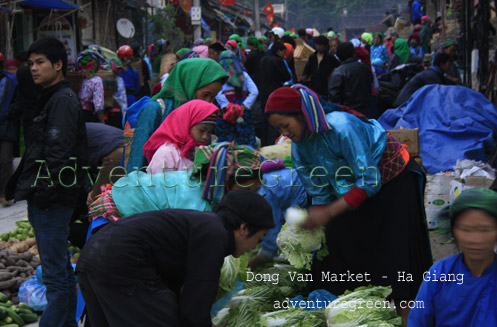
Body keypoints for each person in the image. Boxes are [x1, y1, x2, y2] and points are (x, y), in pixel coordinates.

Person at [265, 85, 432, 322]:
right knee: (337, 247)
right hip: (350, 192)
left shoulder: (342, 127)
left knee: (396, 255)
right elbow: (319, 192)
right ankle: (360, 312)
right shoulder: (300, 150)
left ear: (304, 115)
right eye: (278, 128)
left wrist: (329, 212)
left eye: (286, 125)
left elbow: (369, 181)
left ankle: (407, 318)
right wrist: (318, 217)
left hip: (393, 181)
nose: (284, 133)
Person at [76, 190, 274, 326]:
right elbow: (195, 305)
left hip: (92, 255)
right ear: (244, 228)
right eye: (259, 239)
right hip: (119, 262)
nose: (253, 247)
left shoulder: (203, 224)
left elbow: (185, 292)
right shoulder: (214, 235)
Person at [6, 37, 88, 327]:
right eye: (31, 63)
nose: (34, 69)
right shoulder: (52, 97)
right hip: (51, 198)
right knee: (60, 271)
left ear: (58, 65)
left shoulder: (62, 101)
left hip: (52, 200)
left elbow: (57, 155)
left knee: (55, 275)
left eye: (40, 62)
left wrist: (42, 195)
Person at [408, 188, 497, 326]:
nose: (475, 239)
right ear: (453, 231)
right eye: (465, 229)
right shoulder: (440, 274)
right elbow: (418, 322)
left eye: (485, 230)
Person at [126, 58, 228, 172]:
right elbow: (137, 160)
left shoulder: (203, 114)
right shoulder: (156, 109)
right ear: (190, 84)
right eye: (205, 95)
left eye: (213, 97)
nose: (208, 102)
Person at [145, 100, 218, 174]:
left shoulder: (201, 153)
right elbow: (157, 182)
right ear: (186, 125)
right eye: (201, 131)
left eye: (209, 132)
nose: (205, 137)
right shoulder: (167, 153)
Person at [214, 51, 259, 148]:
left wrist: (227, 106)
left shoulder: (218, 76)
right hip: (242, 112)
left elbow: (216, 92)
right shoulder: (243, 75)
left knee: (226, 142)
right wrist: (244, 106)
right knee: (244, 138)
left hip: (225, 113)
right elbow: (254, 92)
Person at [256, 42, 291, 146]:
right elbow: (287, 77)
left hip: (263, 95)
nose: (283, 54)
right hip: (275, 95)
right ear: (278, 51)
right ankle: (273, 144)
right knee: (274, 122)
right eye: (283, 52)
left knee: (265, 121)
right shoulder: (278, 61)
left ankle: (264, 144)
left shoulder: (263, 60)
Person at [328, 42, 373, 117]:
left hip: (347, 112)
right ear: (353, 53)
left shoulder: (338, 72)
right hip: (365, 109)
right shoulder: (365, 68)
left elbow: (334, 95)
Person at [0, 57, 17, 207]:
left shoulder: (11, 82)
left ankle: (6, 193)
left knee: (5, 160)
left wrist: (9, 111)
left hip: (7, 126)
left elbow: (19, 102)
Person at [76, 49, 105, 123]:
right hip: (89, 116)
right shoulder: (97, 80)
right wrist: (102, 122)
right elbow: (98, 104)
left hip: (77, 113)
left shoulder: (79, 79)